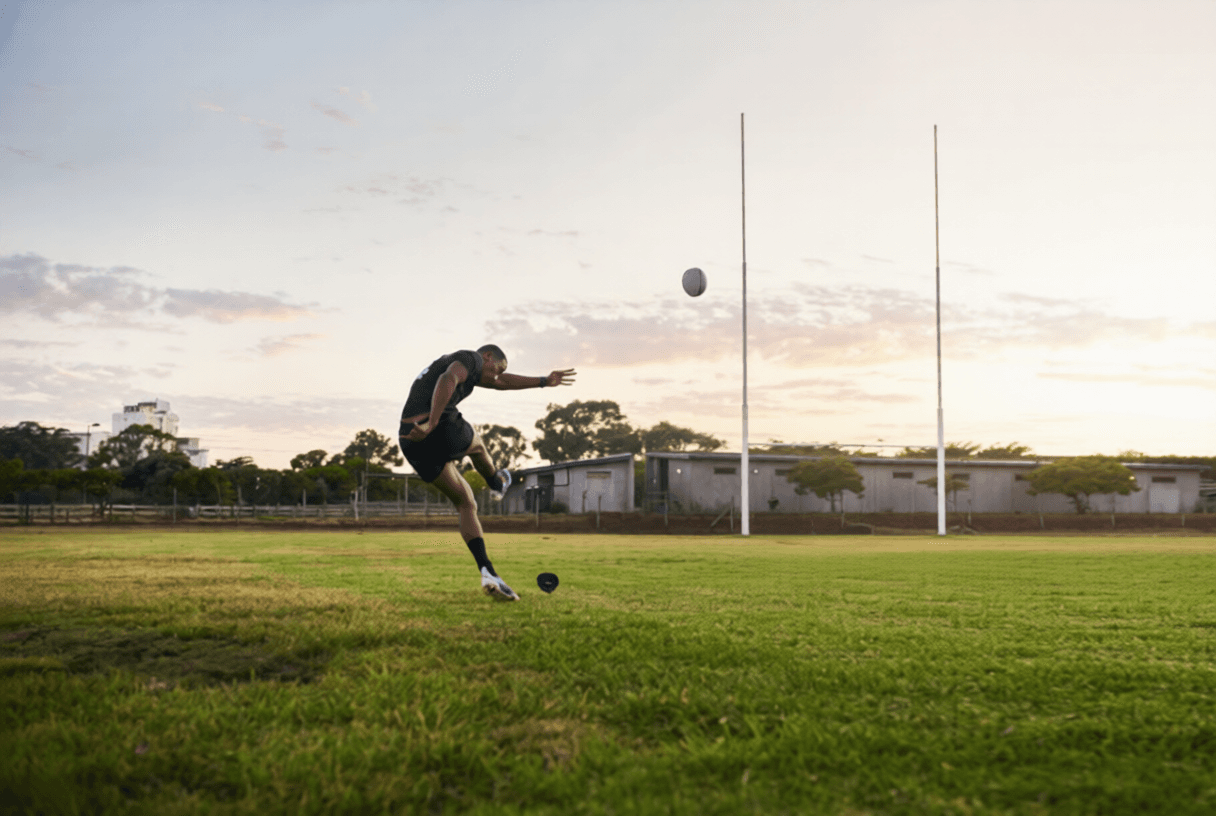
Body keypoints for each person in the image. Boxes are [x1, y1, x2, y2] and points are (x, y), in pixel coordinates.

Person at [399, 344, 575, 601]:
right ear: (487, 357)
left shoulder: (471, 371)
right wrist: (432, 423)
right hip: (435, 426)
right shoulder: (470, 358)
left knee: (466, 502)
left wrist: (542, 381)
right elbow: (448, 378)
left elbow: (502, 382)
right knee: (478, 446)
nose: (496, 376)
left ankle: (488, 572)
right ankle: (497, 483)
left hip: (410, 440)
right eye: (497, 369)